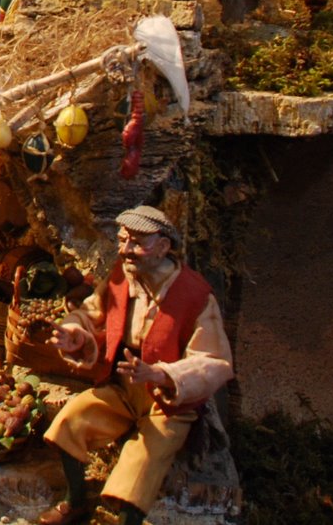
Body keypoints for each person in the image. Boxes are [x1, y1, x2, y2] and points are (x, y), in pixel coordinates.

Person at [36, 206, 233, 525]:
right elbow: (91, 313)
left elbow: (214, 361)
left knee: (141, 463)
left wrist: (161, 374)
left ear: (164, 246)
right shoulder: (120, 279)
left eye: (137, 243)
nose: (126, 250)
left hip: (167, 404)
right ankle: (75, 501)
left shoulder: (195, 295)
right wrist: (76, 334)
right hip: (122, 388)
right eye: (122, 240)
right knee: (70, 422)